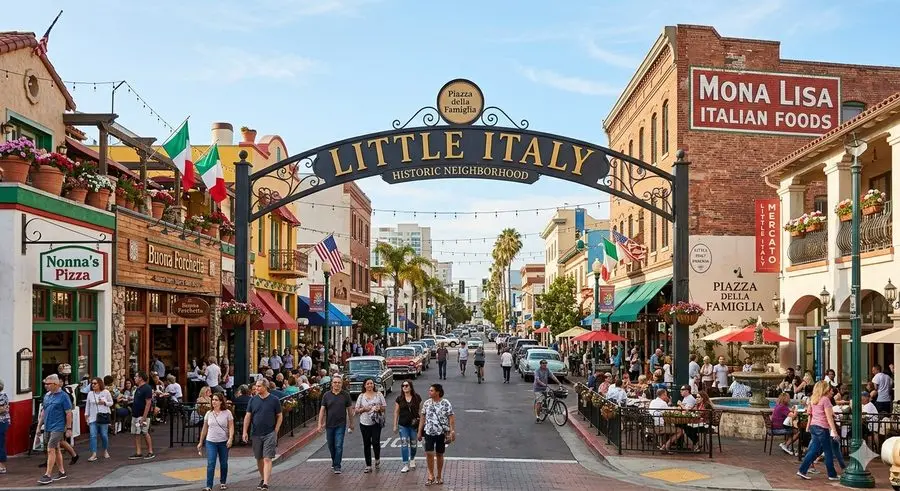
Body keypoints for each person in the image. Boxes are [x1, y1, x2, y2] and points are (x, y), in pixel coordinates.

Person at [242, 380, 282, 490]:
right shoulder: (253, 400)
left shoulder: (274, 400)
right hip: (256, 433)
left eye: (259, 386)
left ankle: (266, 483)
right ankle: (263, 478)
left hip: (270, 433)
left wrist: (276, 430)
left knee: (267, 458)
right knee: (259, 458)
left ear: (265, 387)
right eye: (256, 386)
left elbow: (279, 415)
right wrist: (244, 431)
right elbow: (247, 416)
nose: (257, 388)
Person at [797, 381, 841, 481]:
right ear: (824, 388)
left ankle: (802, 470)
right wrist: (834, 431)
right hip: (822, 428)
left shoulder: (813, 399)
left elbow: (811, 414)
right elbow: (829, 417)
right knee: (828, 451)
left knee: (813, 450)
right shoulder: (826, 400)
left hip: (814, 426)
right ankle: (832, 474)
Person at [37, 374, 73, 485]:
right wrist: (39, 426)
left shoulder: (63, 396)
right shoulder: (47, 396)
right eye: (45, 384)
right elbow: (43, 412)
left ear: (55, 384)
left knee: (50, 449)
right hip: (48, 426)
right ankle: (62, 472)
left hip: (58, 427)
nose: (46, 386)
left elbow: (68, 413)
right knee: (56, 449)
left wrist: (68, 428)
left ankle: (48, 474)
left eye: (48, 384)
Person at [417, 384, 455, 486]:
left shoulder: (445, 403)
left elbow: (451, 418)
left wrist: (452, 431)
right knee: (429, 453)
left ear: (438, 392)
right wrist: (420, 431)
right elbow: (422, 418)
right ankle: (430, 475)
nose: (429, 392)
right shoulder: (427, 403)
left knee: (439, 454)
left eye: (432, 391)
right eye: (429, 390)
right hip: (429, 432)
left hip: (441, 433)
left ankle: (439, 475)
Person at [197, 392, 234, 491]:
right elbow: (205, 428)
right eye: (213, 400)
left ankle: (223, 482)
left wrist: (230, 438)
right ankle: (209, 486)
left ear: (221, 401)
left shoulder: (227, 413)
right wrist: (201, 442)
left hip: (223, 441)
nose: (214, 402)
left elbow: (231, 427)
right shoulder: (208, 413)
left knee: (223, 463)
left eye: (216, 400)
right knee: (211, 463)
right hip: (211, 441)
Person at [317, 376, 353, 474]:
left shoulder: (345, 395)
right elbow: (322, 410)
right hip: (329, 424)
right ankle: (334, 460)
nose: (337, 384)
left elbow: (350, 410)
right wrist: (319, 424)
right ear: (332, 384)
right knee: (331, 445)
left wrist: (351, 423)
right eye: (335, 382)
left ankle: (337, 465)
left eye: (339, 382)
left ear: (341, 384)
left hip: (341, 424)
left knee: (338, 445)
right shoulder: (326, 395)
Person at [355, 378, 386, 473]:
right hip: (364, 423)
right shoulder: (361, 396)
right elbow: (356, 410)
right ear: (364, 385)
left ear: (373, 385)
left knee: (376, 442)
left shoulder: (379, 395)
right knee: (366, 443)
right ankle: (368, 465)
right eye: (367, 384)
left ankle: (377, 459)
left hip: (376, 422)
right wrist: (363, 409)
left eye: (371, 383)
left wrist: (379, 408)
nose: (369, 385)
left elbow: (384, 407)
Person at [393, 381, 422, 473]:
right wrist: (395, 425)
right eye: (403, 386)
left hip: (414, 425)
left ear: (410, 387)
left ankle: (412, 458)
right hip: (403, 425)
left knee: (413, 444)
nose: (404, 387)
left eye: (406, 385)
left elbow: (421, 411)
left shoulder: (417, 397)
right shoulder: (399, 399)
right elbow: (396, 412)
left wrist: (421, 424)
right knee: (404, 444)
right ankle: (405, 464)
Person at [85, 377, 112, 462]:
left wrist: (104, 403)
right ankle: (94, 453)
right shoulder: (90, 394)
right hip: (93, 417)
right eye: (92, 383)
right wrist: (86, 415)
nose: (93, 385)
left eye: (95, 383)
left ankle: (105, 450)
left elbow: (111, 403)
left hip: (103, 417)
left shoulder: (106, 392)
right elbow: (87, 405)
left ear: (100, 384)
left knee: (104, 435)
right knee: (93, 436)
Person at [130, 371, 155, 460]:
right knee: (136, 433)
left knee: (145, 432)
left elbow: (148, 403)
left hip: (142, 415)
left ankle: (150, 451)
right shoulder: (138, 388)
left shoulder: (147, 388)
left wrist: (144, 417)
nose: (134, 378)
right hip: (135, 414)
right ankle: (138, 452)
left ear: (141, 378)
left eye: (136, 376)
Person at [0, 378, 8, 475]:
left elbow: (3, 409)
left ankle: (2, 465)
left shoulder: (3, 396)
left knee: (0, 444)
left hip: (1, 422)